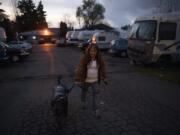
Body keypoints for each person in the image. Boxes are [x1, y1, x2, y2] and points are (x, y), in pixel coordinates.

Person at [74, 44, 107, 118]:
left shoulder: (100, 60)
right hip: (86, 81)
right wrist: (77, 79)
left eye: (95, 51)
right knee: (84, 92)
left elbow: (103, 69)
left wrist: (104, 78)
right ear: (88, 51)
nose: (93, 53)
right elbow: (79, 69)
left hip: (95, 81)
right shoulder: (84, 59)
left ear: (97, 52)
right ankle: (83, 102)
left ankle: (96, 110)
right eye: (91, 51)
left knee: (96, 96)